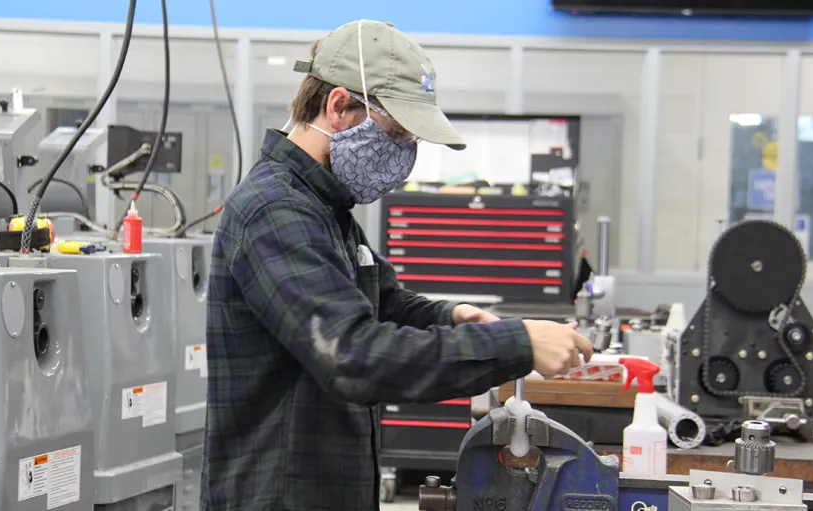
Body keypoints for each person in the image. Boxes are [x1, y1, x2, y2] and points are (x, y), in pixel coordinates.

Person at [201, 19, 593, 511]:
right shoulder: (275, 211)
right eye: (396, 132)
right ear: (338, 106)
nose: (404, 153)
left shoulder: (325, 209)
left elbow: (381, 303)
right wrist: (517, 345)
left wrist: (452, 316)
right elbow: (353, 356)